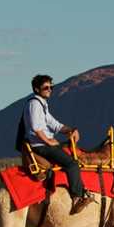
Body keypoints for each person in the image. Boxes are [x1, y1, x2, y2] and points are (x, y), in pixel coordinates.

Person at [22, 74, 93, 215]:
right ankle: (77, 198)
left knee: (71, 150)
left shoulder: (42, 104)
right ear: (37, 89)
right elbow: (36, 128)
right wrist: (48, 141)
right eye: (46, 87)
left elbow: (54, 124)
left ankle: (81, 188)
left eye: (51, 87)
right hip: (40, 146)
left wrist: (70, 130)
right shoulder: (34, 104)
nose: (49, 89)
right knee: (72, 164)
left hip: (44, 143)